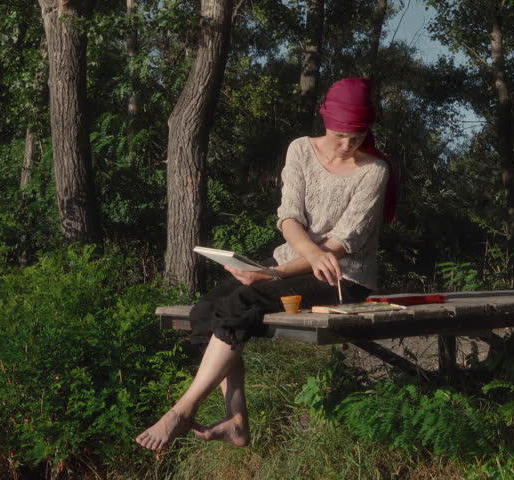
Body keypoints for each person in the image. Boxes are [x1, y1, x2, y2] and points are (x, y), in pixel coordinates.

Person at [136, 77, 397, 451]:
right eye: (341, 135)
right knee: (206, 309)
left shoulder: (374, 170)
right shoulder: (301, 150)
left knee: (242, 301)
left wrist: (274, 273)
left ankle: (183, 409)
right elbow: (288, 217)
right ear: (326, 120)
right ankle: (237, 421)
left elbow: (345, 242)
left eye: (357, 137)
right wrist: (290, 263)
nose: (347, 145)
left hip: (343, 278)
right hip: (291, 264)